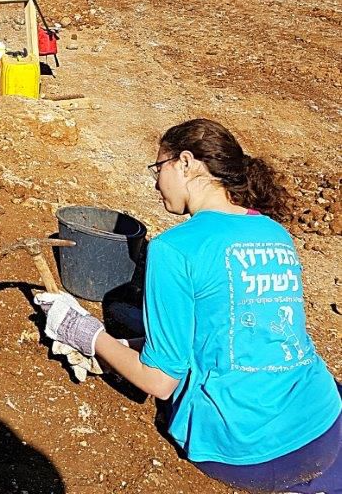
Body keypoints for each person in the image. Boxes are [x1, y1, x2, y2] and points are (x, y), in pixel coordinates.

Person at [36, 119, 341, 494]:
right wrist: (126, 347)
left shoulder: (174, 248)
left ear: (185, 162)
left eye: (158, 168)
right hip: (325, 423)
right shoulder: (274, 233)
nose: (155, 182)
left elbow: (159, 382)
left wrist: (87, 334)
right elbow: (238, 334)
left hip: (248, 452)